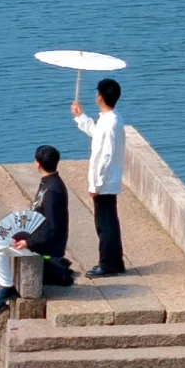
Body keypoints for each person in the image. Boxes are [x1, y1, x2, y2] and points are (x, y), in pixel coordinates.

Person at [0, 144, 73, 322]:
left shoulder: (53, 190)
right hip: (37, 236)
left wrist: (28, 242)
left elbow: (52, 227)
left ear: (37, 164)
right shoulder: (49, 182)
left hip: (45, 245)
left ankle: (7, 288)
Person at [71, 77, 126, 277]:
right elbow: (96, 134)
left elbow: (105, 156)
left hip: (105, 181)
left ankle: (108, 264)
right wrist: (81, 117)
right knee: (109, 220)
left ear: (100, 97)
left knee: (104, 224)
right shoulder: (111, 118)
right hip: (108, 180)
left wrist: (95, 184)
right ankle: (116, 262)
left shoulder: (110, 123)